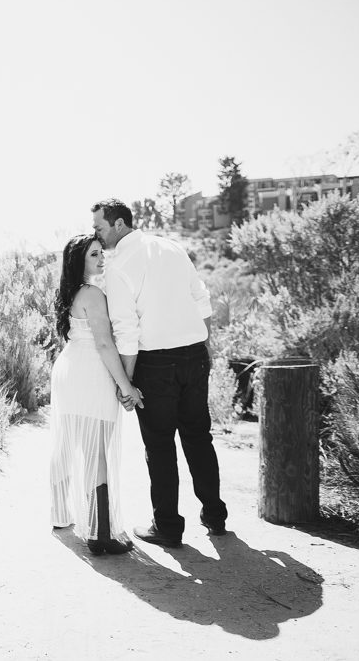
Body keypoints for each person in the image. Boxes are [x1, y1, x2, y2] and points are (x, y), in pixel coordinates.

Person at [92, 198, 228, 549]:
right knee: (199, 437)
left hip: (155, 365)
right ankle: (215, 517)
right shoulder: (171, 247)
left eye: (100, 228)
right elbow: (202, 299)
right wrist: (205, 346)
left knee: (161, 446)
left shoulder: (119, 264)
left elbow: (126, 329)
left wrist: (127, 384)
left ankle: (167, 527)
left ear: (119, 224)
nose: (97, 235)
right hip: (195, 356)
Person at [48, 234, 141, 556]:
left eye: (102, 253)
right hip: (90, 371)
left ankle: (61, 515)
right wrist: (126, 386)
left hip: (69, 367)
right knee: (96, 450)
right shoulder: (93, 293)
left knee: (66, 442)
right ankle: (100, 534)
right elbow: (104, 343)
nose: (102, 259)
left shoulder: (69, 292)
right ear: (79, 261)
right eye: (94, 255)